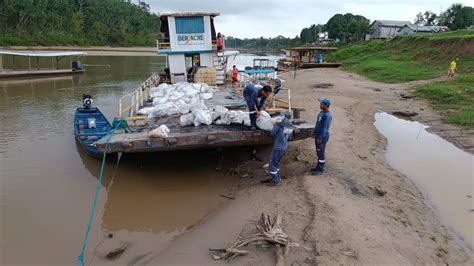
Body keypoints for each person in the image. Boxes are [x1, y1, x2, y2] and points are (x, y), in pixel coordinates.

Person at [267, 112, 294, 186]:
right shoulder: (291, 126)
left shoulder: (279, 124)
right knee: (276, 163)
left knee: (272, 163)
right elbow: (290, 137)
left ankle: (275, 180)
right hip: (284, 147)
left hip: (278, 147)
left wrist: (275, 125)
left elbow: (272, 133)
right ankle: (278, 177)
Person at [311, 98, 332, 175]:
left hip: (322, 137)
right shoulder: (321, 113)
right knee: (318, 152)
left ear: (327, 105)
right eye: (320, 104)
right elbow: (318, 124)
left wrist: (320, 138)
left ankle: (320, 170)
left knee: (321, 153)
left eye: (322, 104)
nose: (320, 105)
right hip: (318, 135)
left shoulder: (327, 116)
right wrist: (314, 132)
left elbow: (325, 128)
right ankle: (318, 167)